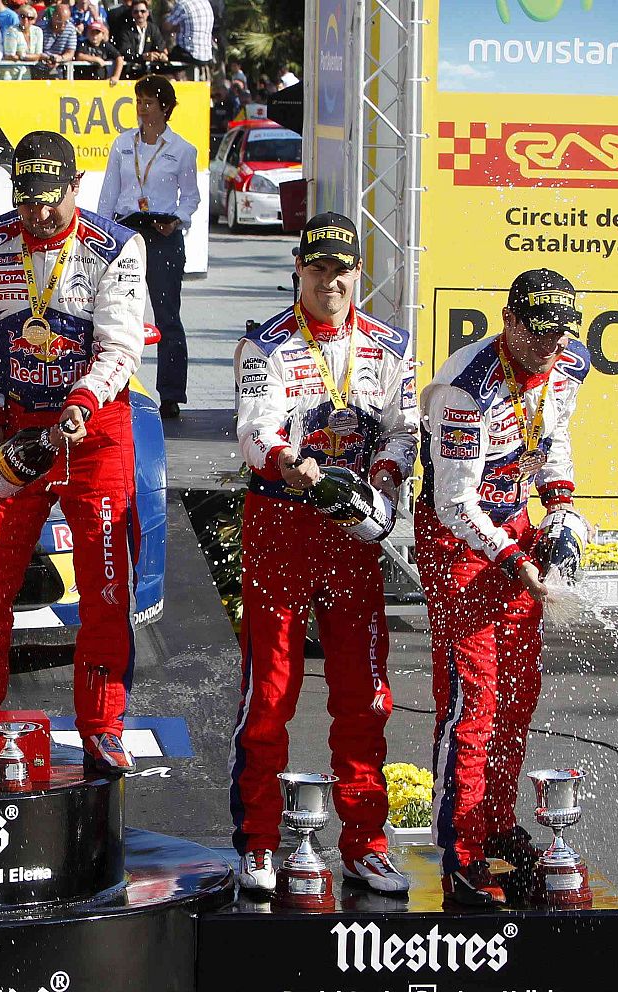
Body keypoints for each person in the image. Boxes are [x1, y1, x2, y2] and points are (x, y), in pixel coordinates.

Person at [0, 131, 147, 777]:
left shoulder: (117, 246)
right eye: (26, 199)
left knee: (105, 586)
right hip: (16, 427)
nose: (37, 213)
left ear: (75, 186)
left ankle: (102, 728)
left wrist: (81, 402)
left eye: (50, 199)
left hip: (94, 430)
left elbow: (121, 346)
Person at [228, 212, 416, 898]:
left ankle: (365, 844)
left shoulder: (390, 346)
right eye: (317, 269)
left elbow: (403, 432)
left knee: (364, 697)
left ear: (357, 274)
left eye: (340, 270)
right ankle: (258, 843)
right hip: (281, 523)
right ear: (298, 271)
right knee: (271, 695)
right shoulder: (265, 345)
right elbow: (253, 431)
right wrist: (288, 461)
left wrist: (384, 480)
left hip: (350, 533)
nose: (329, 282)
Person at [417, 268, 590, 907]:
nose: (552, 344)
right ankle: (460, 853)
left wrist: (561, 512)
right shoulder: (466, 390)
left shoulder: (567, 362)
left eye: (561, 332)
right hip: (456, 541)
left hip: (513, 522)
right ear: (510, 322)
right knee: (476, 698)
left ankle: (495, 821)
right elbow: (455, 504)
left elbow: (553, 440)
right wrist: (516, 558)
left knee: (519, 692)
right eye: (539, 331)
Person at [97, 76, 200, 419]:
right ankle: (111, 385)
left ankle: (170, 394)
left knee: (167, 315)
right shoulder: (122, 144)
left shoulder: (182, 149)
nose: (141, 108)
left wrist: (177, 220)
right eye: (138, 101)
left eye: (149, 102)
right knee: (115, 311)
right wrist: (100, 234)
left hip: (163, 235)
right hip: (126, 231)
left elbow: (191, 198)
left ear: (165, 108)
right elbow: (109, 195)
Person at [114, 0, 168, 79]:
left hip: (150, 71)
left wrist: (161, 55)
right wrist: (142, 57)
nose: (139, 14)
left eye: (143, 11)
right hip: (129, 71)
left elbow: (160, 46)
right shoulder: (126, 31)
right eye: (136, 12)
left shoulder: (153, 29)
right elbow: (125, 53)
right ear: (132, 14)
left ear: (147, 13)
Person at [164, 0, 212, 79]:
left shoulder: (182, 5)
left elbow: (167, 26)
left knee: (163, 64)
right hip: (206, 56)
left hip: (189, 54)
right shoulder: (206, 3)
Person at [0, 4, 41, 79]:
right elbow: (10, 56)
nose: (26, 20)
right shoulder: (11, 31)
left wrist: (21, 55)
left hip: (25, 72)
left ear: (34, 20)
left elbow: (38, 56)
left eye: (30, 18)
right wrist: (30, 57)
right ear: (18, 17)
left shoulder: (38, 31)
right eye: (23, 16)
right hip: (8, 74)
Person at [35, 1, 75, 76]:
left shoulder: (71, 29)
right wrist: (46, 58)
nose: (63, 25)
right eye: (60, 22)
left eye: (66, 22)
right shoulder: (40, 27)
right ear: (53, 16)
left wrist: (60, 58)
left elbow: (70, 53)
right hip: (38, 66)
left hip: (59, 67)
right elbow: (35, 51)